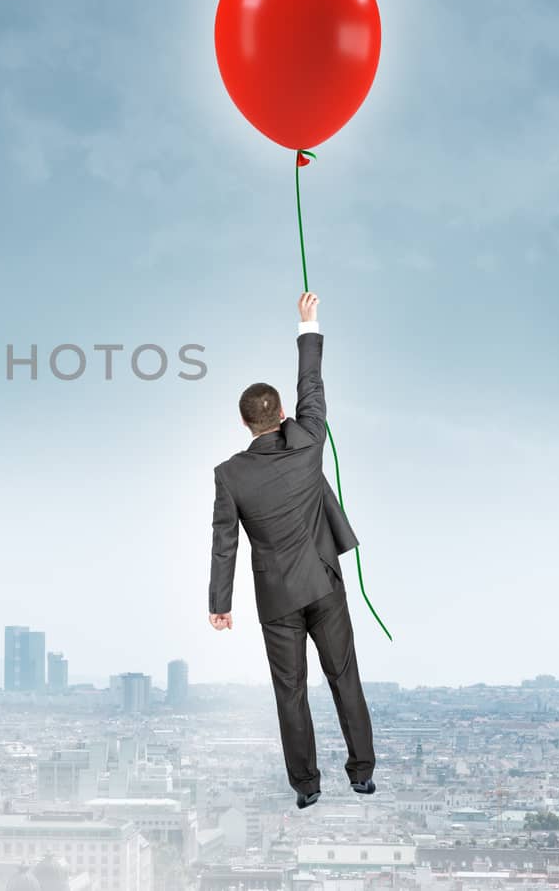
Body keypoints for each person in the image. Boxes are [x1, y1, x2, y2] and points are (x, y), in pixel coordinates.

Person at [207, 291, 376, 809]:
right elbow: (313, 386)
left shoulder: (230, 475)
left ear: (245, 424)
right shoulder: (308, 442)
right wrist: (308, 324)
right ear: (281, 413)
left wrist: (220, 604)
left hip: (277, 599)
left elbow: (224, 543)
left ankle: (306, 787)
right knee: (344, 676)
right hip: (323, 584)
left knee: (291, 693)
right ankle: (362, 774)